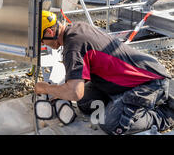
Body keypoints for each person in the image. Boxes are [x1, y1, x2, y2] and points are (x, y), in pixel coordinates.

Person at [35, 11, 173, 135]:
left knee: (111, 124)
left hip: (150, 83)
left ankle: (166, 114)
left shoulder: (73, 48)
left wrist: (46, 88)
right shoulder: (76, 29)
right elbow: (79, 82)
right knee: (86, 103)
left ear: (49, 32)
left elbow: (75, 93)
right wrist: (60, 91)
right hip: (125, 79)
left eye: (42, 40)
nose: (44, 44)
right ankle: (121, 104)